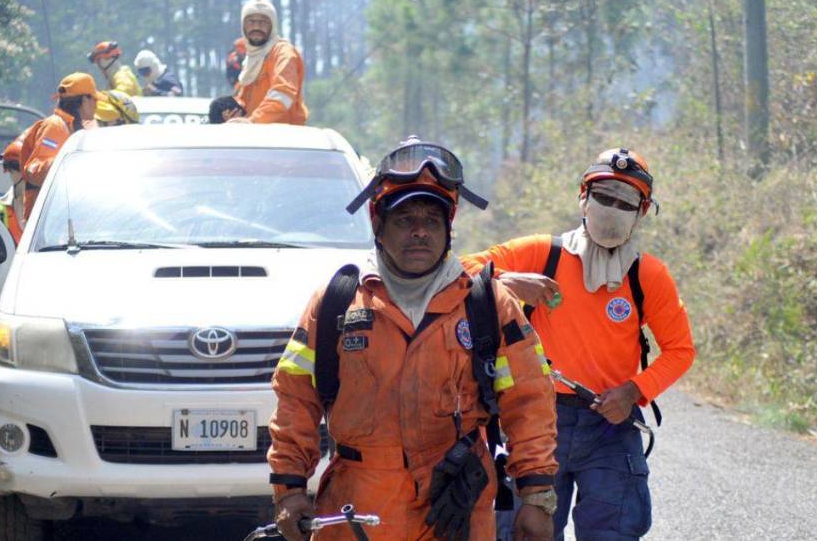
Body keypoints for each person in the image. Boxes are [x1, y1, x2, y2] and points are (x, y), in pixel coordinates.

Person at [269, 138, 558, 541]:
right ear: (378, 226)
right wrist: (289, 489)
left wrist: (537, 496)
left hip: (456, 505)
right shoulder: (337, 301)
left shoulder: (487, 303)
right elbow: (296, 398)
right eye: (405, 219)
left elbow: (529, 401)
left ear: (449, 229)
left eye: (432, 220)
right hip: (358, 506)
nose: (419, 232)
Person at [461, 148, 696, 540]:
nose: (612, 209)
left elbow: (680, 351)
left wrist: (635, 391)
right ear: (583, 197)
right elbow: (460, 271)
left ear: (643, 211)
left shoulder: (648, 276)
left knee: (615, 533)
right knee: (522, 532)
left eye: (625, 202)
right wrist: (508, 280)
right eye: (604, 197)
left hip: (610, 425)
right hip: (535, 420)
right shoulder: (542, 253)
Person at [20, 73, 105, 219]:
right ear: (84, 100)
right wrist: (68, 164)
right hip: (44, 220)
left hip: (58, 217)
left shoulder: (70, 127)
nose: (97, 104)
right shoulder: (55, 126)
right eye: (94, 99)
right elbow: (33, 170)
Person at [223, 0, 308, 124]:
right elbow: (244, 101)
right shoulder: (251, 59)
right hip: (255, 136)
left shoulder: (283, 53)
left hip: (284, 138)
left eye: (263, 22)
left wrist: (253, 120)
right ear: (243, 26)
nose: (256, 26)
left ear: (273, 25)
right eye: (251, 22)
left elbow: (283, 93)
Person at [0, 131, 28, 245]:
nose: (11, 173)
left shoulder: (43, 203)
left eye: (12, 170)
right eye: (11, 170)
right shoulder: (1, 206)